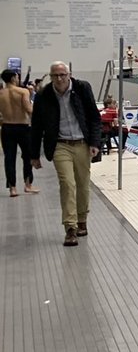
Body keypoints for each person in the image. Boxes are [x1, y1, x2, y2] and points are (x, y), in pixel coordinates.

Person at [28, 62, 102, 246]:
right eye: (55, 75)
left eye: (62, 75)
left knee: (83, 183)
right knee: (67, 183)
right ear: (50, 76)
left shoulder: (82, 88)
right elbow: (36, 126)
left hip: (82, 143)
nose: (59, 79)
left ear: (69, 74)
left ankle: (82, 219)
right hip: (60, 144)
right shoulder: (44, 95)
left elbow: (94, 116)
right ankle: (70, 227)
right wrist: (34, 154)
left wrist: (94, 142)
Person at [1, 68, 39, 197]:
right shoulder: (23, 91)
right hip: (23, 128)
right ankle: (28, 185)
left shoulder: (1, 93)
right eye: (17, 77)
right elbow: (29, 110)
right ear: (13, 78)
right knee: (27, 156)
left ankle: (12, 188)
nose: (18, 79)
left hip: (7, 128)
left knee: (9, 158)